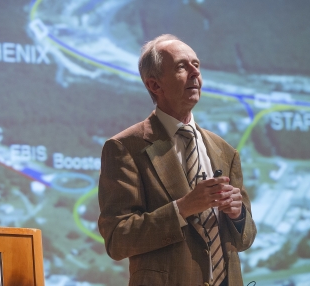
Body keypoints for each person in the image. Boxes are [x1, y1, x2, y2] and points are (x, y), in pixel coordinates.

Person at [98, 34, 256, 286]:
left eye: (197, 64)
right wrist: (182, 208)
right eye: (182, 66)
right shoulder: (125, 148)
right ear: (154, 85)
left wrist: (238, 215)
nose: (195, 73)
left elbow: (245, 239)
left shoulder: (225, 151)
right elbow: (118, 239)